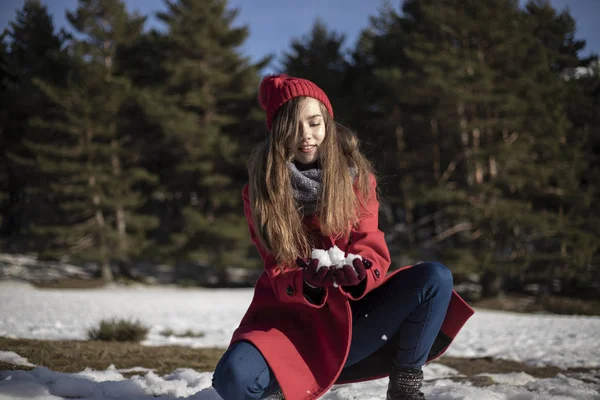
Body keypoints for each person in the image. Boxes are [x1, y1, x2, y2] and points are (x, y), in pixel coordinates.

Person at [212, 75, 475, 400]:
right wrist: (306, 282)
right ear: (279, 133)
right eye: (294, 127)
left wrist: (360, 274)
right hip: (290, 322)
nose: (306, 136)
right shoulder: (259, 192)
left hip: (353, 319)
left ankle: (406, 387)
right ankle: (284, 387)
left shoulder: (357, 179)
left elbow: (371, 245)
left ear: (328, 123)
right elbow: (276, 267)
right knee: (230, 380)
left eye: (314, 123)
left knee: (435, 278)